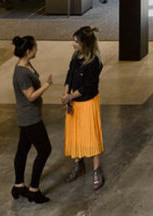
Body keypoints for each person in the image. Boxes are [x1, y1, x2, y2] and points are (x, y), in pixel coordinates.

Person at [62, 25, 105, 191]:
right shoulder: (75, 56)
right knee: (74, 135)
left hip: (86, 102)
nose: (74, 45)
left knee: (91, 135)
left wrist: (70, 97)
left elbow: (89, 86)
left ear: (84, 44)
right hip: (73, 101)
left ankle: (96, 170)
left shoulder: (94, 62)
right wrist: (66, 93)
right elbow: (69, 74)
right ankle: (78, 164)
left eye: (76, 42)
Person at [11, 35, 53, 204]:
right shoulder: (22, 73)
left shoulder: (26, 64)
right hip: (30, 118)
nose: (37, 49)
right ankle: (34, 190)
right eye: (35, 47)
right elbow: (30, 96)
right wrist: (46, 85)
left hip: (26, 116)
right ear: (28, 51)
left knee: (23, 149)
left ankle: (19, 185)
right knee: (45, 150)